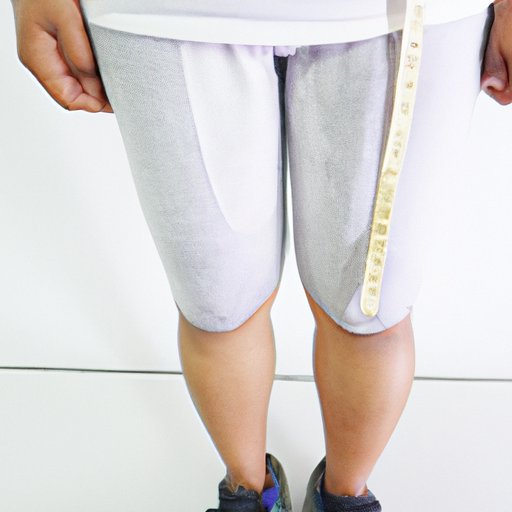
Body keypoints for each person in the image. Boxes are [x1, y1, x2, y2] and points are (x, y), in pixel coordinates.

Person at [8, 0, 512, 510]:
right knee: (218, 306)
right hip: (158, 13)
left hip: (411, 13)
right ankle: (249, 492)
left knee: (369, 311)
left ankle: (344, 496)